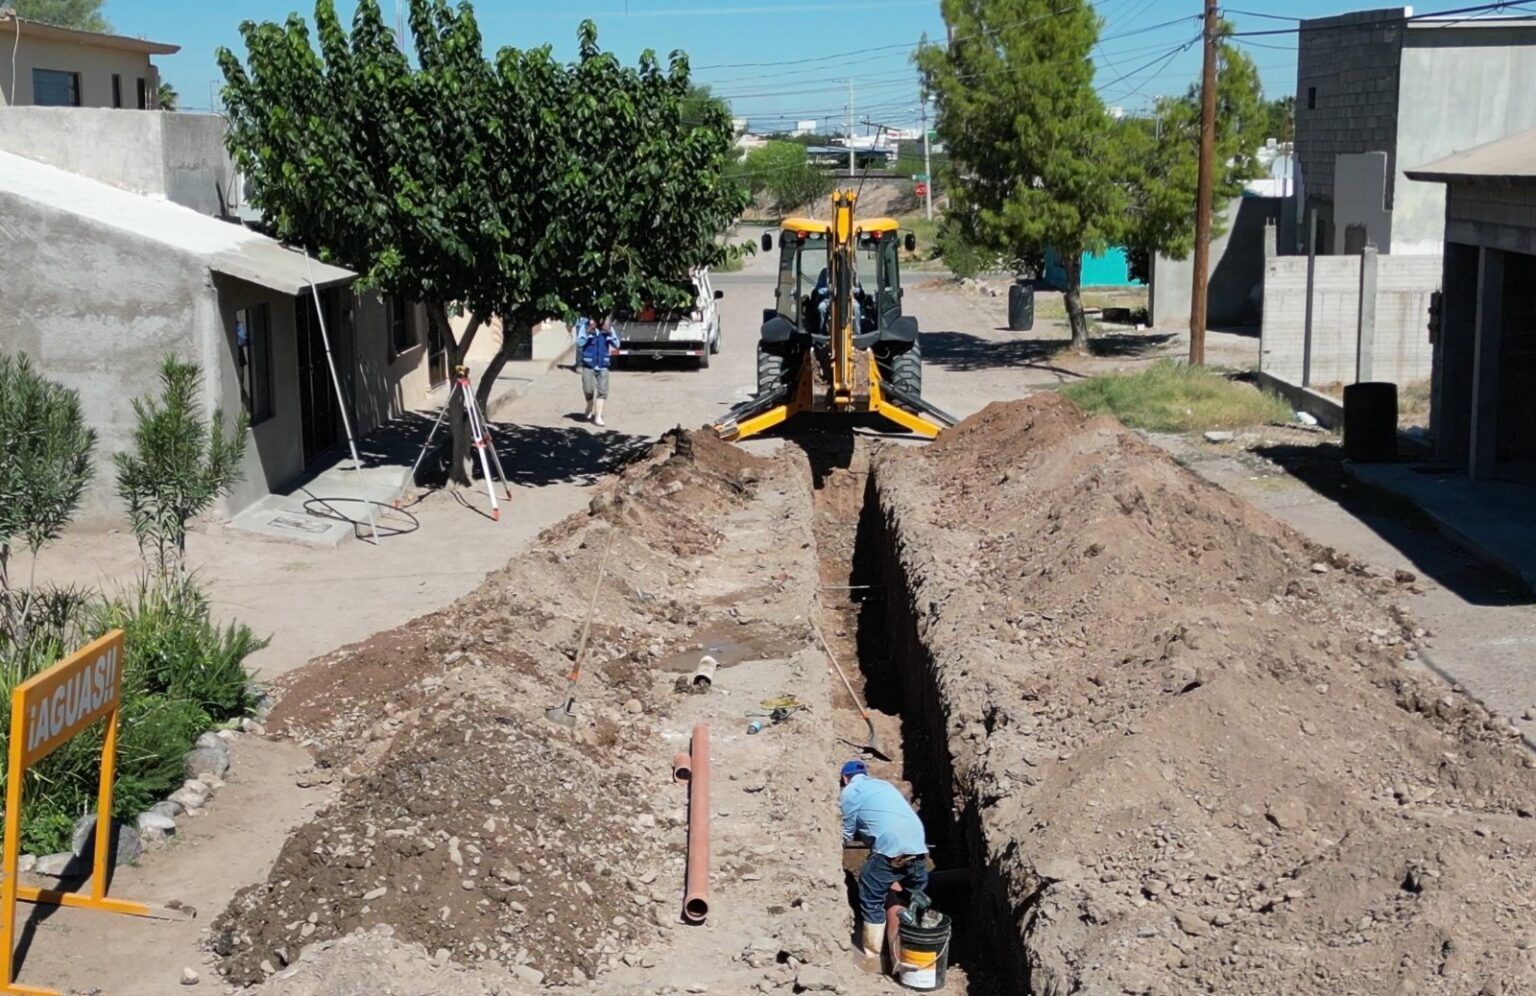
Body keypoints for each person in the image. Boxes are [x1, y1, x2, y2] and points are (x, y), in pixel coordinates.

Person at [839, 759, 929, 958]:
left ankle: (873, 953)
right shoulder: (883, 785)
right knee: (913, 895)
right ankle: (919, 936)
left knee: (871, 891)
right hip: (917, 844)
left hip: (891, 848)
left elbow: (845, 832)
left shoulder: (850, 793)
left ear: (845, 779)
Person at [575, 314, 620, 426]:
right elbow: (580, 343)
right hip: (589, 364)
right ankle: (589, 405)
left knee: (602, 391)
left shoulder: (608, 327)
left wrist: (609, 332)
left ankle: (598, 416)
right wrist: (589, 331)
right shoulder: (585, 327)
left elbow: (617, 344)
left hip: (603, 364)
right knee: (588, 389)